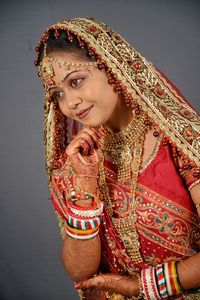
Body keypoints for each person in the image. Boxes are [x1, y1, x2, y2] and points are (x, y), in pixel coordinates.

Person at [34, 17, 200, 299]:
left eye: (76, 81)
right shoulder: (77, 162)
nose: (69, 103)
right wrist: (85, 191)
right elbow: (80, 272)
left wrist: (141, 286)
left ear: (112, 66)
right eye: (58, 93)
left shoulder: (180, 140)